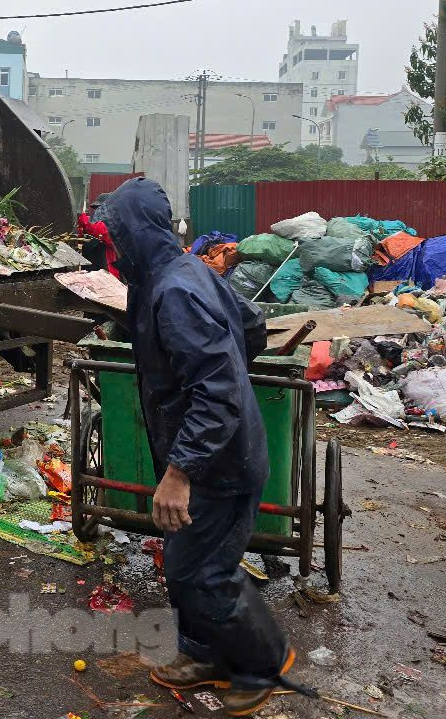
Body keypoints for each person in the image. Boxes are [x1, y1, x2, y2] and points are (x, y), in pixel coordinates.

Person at [97, 177, 309, 716]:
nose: (112, 246)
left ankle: (264, 662)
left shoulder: (176, 290)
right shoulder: (178, 273)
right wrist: (231, 365)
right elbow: (252, 326)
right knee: (184, 559)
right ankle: (204, 656)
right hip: (210, 449)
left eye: (116, 234)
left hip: (221, 461)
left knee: (202, 571)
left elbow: (215, 391)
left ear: (136, 233)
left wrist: (181, 469)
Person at [76, 194, 119, 278]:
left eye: (100, 209)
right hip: (90, 276)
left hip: (109, 277)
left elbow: (101, 231)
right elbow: (79, 237)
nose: (97, 212)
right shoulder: (89, 227)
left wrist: (84, 220)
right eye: (96, 209)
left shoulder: (114, 226)